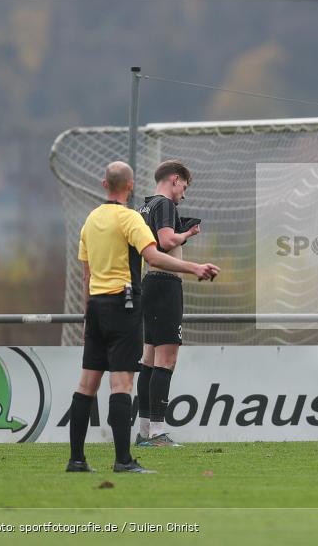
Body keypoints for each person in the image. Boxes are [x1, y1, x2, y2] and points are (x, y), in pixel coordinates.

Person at [67, 161, 218, 474]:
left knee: (86, 385)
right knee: (121, 383)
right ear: (131, 186)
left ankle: (77, 460)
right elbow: (154, 255)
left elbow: (86, 273)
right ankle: (123, 460)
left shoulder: (91, 219)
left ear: (103, 183)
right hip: (123, 304)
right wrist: (194, 267)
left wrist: (86, 317)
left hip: (95, 306)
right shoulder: (130, 218)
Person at [135, 161, 201, 448]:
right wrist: (187, 234)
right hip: (165, 284)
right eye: (184, 187)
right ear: (175, 180)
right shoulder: (165, 205)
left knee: (148, 360)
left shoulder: (146, 206)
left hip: (150, 285)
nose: (183, 195)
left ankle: (145, 430)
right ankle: (157, 434)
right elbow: (164, 241)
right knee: (166, 360)